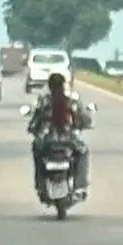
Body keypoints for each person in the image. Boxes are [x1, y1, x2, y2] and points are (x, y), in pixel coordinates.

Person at [28, 70, 92, 199]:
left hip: (47, 141)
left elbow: (35, 121)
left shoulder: (44, 101)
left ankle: (40, 184)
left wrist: (33, 129)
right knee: (83, 152)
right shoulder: (71, 102)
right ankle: (79, 186)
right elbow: (83, 120)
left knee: (37, 152)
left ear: (49, 86)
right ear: (63, 85)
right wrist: (84, 124)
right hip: (69, 140)